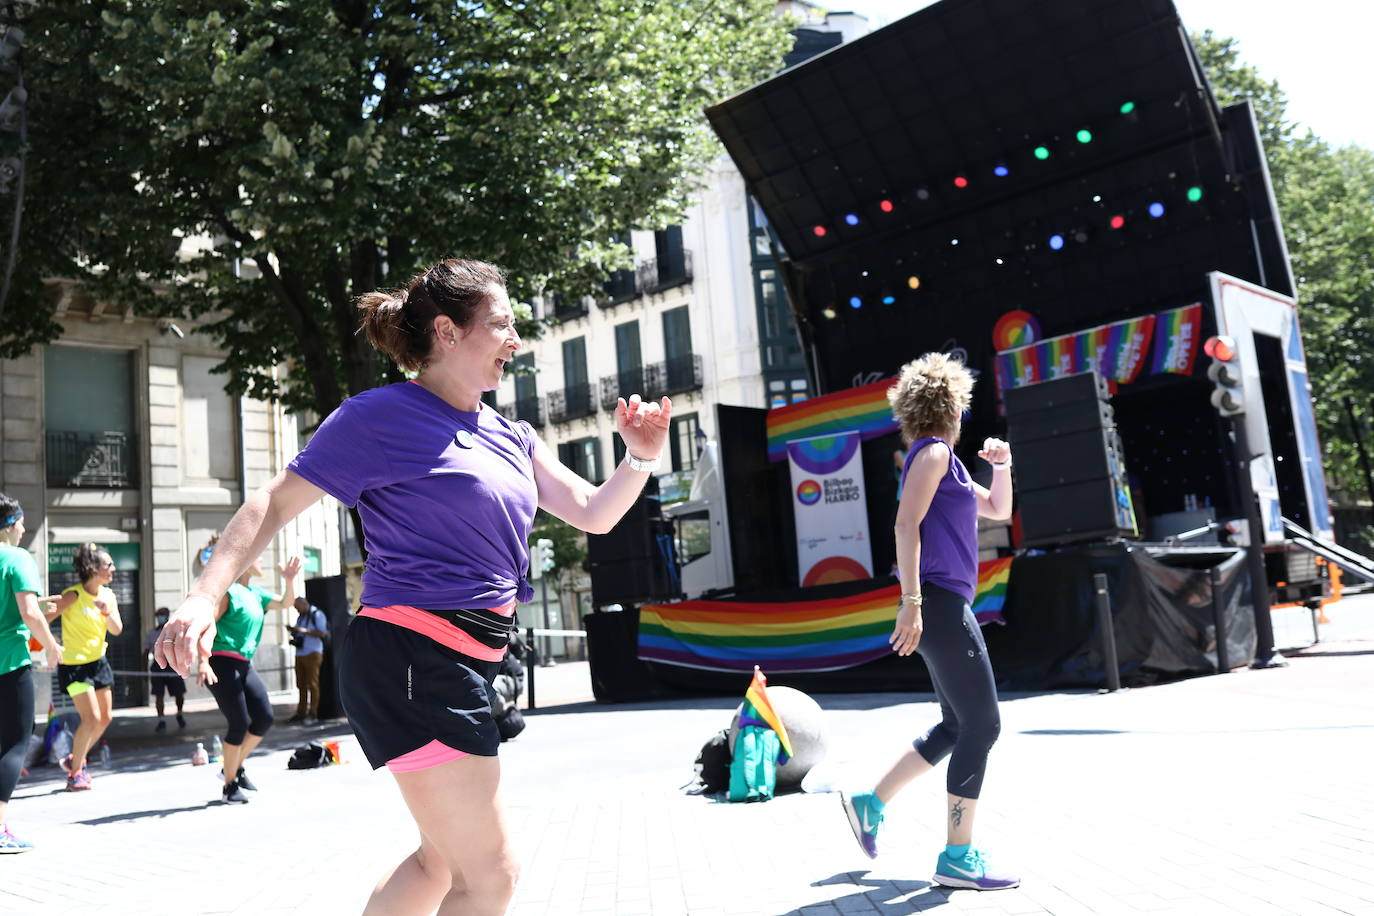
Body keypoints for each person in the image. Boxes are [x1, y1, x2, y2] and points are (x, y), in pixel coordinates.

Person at [157, 257, 670, 915]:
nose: (516, 341)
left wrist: (639, 457)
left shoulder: (511, 435)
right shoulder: (377, 417)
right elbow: (275, 502)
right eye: (501, 324)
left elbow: (595, 512)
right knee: (490, 877)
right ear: (448, 333)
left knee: (441, 863)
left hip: (463, 662)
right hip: (413, 657)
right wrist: (204, 596)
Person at [839, 353, 1019, 891]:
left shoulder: (947, 462)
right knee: (983, 726)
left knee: (957, 726)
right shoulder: (935, 453)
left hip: (939, 604)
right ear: (953, 407)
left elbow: (999, 510)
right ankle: (958, 857)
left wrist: (1003, 465)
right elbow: (905, 525)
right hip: (938, 604)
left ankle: (871, 803)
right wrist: (912, 601)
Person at [198, 555, 301, 803]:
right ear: (245, 562)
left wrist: (289, 580)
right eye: (258, 557)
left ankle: (233, 767)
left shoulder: (256, 594)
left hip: (244, 663)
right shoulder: (229, 592)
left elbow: (286, 602)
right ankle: (229, 786)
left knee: (264, 717)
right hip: (220, 661)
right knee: (239, 722)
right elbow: (207, 624)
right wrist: (202, 660)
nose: (262, 560)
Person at [0, 493, 63, 852]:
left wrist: (36, 604)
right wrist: (51, 646)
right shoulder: (17, 557)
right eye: (21, 523)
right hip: (9, 662)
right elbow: (27, 613)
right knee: (14, 744)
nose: (24, 530)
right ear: (9, 525)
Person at [45, 542, 123, 792]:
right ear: (93, 568)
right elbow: (43, 618)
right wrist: (51, 643)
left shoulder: (108, 596)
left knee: (105, 718)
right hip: (75, 665)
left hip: (99, 663)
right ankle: (75, 775)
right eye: (108, 564)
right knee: (91, 718)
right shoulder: (73, 595)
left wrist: (106, 613)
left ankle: (75, 759)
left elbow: (117, 630)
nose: (113, 568)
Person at [142, 607, 187, 732]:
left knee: (179, 693)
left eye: (162, 615)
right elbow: (145, 653)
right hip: (158, 668)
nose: (159, 617)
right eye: (158, 615)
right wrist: (145, 671)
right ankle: (161, 720)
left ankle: (179, 714)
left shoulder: (174, 631)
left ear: (167, 616)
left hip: (173, 666)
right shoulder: (152, 633)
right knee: (159, 694)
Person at [286, 596, 328, 725]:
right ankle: (301, 712)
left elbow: (322, 633)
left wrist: (303, 631)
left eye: (298, 607)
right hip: (300, 653)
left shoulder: (317, 614)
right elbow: (300, 632)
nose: (297, 610)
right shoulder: (301, 617)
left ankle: (313, 713)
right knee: (301, 684)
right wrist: (294, 631)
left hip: (313, 652)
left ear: (304, 604)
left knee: (313, 684)